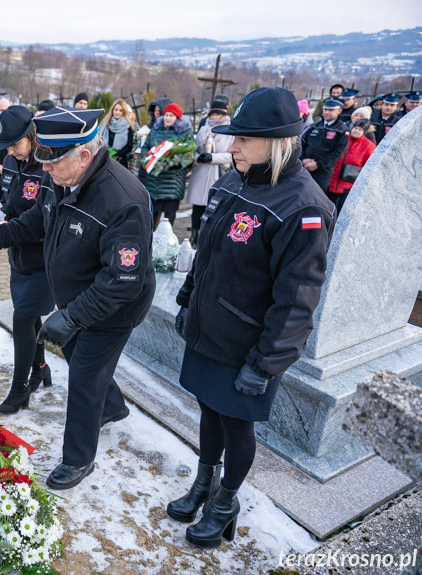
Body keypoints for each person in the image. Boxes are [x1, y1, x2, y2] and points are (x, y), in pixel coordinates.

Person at [170, 87, 335, 549]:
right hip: (210, 328)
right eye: (233, 137)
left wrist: (265, 363)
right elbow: (207, 254)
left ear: (279, 142)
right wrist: (187, 300)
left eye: (244, 138)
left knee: (236, 424)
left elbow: (298, 299)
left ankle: (225, 503)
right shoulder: (234, 181)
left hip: (249, 346)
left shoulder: (303, 206)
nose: (233, 146)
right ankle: (203, 485)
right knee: (208, 409)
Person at [0, 106, 155, 490]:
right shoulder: (63, 178)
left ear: (83, 155)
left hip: (113, 307)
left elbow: (121, 280)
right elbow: (37, 220)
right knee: (77, 355)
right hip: (75, 297)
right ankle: (114, 406)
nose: (45, 170)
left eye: (51, 162)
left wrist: (70, 317)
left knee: (84, 375)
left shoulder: (123, 200)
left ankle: (77, 459)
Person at [0, 105, 55, 413]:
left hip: (44, 259)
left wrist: (6, 229)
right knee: (30, 316)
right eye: (6, 146)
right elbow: (10, 204)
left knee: (23, 318)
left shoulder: (50, 167)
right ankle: (41, 368)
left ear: (32, 135)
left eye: (15, 143)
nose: (10, 151)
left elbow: (41, 218)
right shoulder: (11, 161)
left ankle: (20, 389)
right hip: (19, 257)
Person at [185, 100, 233, 246]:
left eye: (218, 114)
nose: (215, 117)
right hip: (201, 172)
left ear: (224, 114)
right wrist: (197, 156)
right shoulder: (204, 129)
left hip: (216, 173)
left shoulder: (229, 131)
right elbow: (194, 148)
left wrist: (213, 157)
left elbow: (231, 155)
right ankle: (194, 233)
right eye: (213, 114)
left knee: (212, 206)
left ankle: (208, 236)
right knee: (197, 206)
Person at [141, 102, 193, 227]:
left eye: (171, 115)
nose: (168, 118)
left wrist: (175, 163)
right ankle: (151, 239)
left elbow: (188, 153)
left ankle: (167, 239)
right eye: (166, 115)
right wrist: (146, 159)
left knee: (169, 217)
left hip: (172, 182)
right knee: (152, 215)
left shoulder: (184, 132)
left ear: (177, 118)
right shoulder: (156, 129)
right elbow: (146, 146)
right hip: (154, 180)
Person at [327, 119, 376, 214]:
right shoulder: (343, 138)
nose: (356, 131)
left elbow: (369, 166)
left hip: (349, 186)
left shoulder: (369, 146)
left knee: (342, 211)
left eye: (360, 130)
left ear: (364, 132)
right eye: (355, 128)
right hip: (332, 181)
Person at [300, 98, 349, 192]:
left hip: (322, 172)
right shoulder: (314, 126)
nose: (327, 112)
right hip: (305, 168)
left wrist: (317, 164)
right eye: (325, 109)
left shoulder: (342, 130)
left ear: (339, 111)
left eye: (331, 110)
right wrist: (303, 159)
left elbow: (337, 153)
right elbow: (302, 144)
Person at [98, 98, 135, 168]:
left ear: (124, 112)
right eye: (116, 109)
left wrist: (116, 154)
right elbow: (98, 139)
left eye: (120, 110)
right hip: (103, 159)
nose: (117, 112)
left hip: (120, 161)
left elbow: (129, 145)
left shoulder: (128, 126)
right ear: (112, 110)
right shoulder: (105, 124)